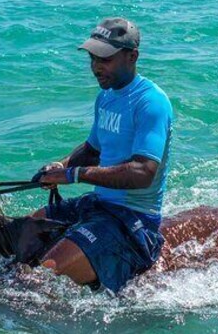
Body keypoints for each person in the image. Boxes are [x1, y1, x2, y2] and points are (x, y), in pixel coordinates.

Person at [32, 17, 173, 293]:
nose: (96, 67)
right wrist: (61, 166)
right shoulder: (106, 97)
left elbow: (143, 172)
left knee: (39, 280)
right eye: (93, 58)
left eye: (105, 59)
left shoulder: (152, 103)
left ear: (132, 57)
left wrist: (74, 175)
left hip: (131, 222)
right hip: (98, 205)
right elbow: (92, 150)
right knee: (25, 230)